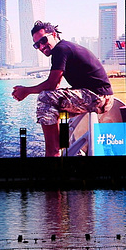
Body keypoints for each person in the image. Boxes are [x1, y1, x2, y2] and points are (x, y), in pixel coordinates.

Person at [12, 21, 114, 157]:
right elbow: (56, 85)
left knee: (45, 98)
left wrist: (26, 90)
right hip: (99, 97)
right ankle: (59, 145)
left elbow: (52, 84)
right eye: (37, 45)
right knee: (52, 99)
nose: (41, 46)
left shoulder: (61, 49)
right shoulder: (64, 49)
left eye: (43, 40)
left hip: (99, 98)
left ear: (53, 35)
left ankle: (53, 152)